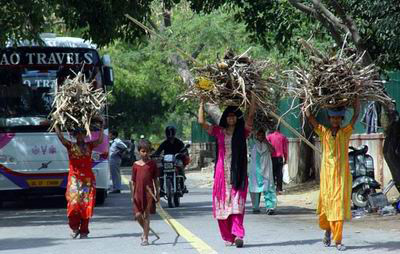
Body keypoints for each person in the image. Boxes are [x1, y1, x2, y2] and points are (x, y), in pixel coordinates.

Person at [198, 96, 256, 248]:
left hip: (238, 173)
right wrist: (202, 103)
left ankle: (237, 235)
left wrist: (253, 98)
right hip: (222, 174)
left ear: (237, 118)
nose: (231, 118)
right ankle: (228, 236)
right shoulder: (219, 131)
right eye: (229, 116)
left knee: (237, 204)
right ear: (225, 118)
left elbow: (250, 116)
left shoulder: (243, 132)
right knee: (223, 205)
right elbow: (201, 123)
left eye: (234, 116)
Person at [305, 98, 360, 251]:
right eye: (333, 117)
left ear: (341, 119)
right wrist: (306, 102)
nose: (335, 120)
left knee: (339, 208)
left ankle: (338, 241)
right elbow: (311, 119)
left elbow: (355, 117)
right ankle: (328, 230)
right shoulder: (323, 132)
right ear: (329, 119)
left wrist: (357, 104)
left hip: (342, 178)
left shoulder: (345, 132)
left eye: (338, 118)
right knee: (327, 206)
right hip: (327, 179)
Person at [55, 120, 104, 239]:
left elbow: (100, 141)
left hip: (87, 180)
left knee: (86, 205)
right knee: (74, 204)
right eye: (77, 134)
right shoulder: (70, 146)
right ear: (74, 135)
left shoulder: (89, 146)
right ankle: (75, 227)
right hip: (74, 180)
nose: (80, 136)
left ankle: (84, 230)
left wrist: (102, 127)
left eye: (82, 133)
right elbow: (61, 139)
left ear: (85, 134)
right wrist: (56, 125)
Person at [131, 139, 160, 246]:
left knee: (147, 215)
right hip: (138, 193)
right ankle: (145, 230)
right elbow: (133, 181)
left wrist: (157, 193)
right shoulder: (135, 165)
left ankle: (145, 238)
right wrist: (132, 195)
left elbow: (156, 180)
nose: (145, 153)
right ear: (139, 151)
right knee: (138, 215)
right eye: (143, 151)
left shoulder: (152, 164)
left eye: (147, 151)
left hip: (149, 193)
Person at [248, 128, 277, 215]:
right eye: (259, 135)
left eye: (262, 135)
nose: (261, 136)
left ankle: (270, 207)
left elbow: (272, 150)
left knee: (269, 189)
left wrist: (266, 142)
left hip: (266, 170)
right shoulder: (253, 143)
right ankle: (255, 207)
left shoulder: (267, 144)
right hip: (255, 171)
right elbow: (249, 136)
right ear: (256, 136)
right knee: (255, 190)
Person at [153, 126, 188, 192]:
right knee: (160, 170)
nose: (170, 136)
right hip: (166, 161)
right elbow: (158, 151)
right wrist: (154, 154)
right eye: (168, 134)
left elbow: (184, 150)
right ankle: (162, 188)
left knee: (180, 167)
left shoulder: (179, 142)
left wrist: (183, 153)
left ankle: (182, 184)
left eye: (172, 134)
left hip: (177, 160)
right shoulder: (164, 143)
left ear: (174, 133)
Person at [267, 126, 288, 194]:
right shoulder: (283, 137)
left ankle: (272, 188)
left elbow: (266, 146)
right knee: (279, 173)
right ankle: (279, 189)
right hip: (279, 158)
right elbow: (285, 149)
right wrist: (286, 158)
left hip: (271, 158)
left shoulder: (269, 137)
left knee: (272, 173)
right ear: (279, 129)